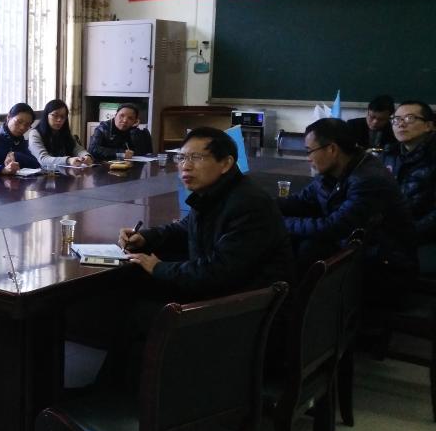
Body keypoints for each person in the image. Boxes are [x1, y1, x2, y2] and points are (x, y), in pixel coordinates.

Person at [120, 127, 294, 301]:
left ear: (225, 163)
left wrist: (159, 268)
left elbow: (220, 272)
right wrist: (145, 238)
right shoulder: (213, 192)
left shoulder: (248, 204)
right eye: (181, 158)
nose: (185, 166)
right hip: (218, 295)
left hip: (241, 307)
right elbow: (187, 228)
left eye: (196, 158)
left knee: (130, 298)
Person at [277, 118, 416, 308]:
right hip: (356, 251)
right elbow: (301, 201)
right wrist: (263, 207)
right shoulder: (333, 172)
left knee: (307, 248)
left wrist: (281, 222)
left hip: (385, 266)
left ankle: (299, 311)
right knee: (293, 243)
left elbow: (334, 227)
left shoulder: (369, 179)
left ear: (332, 149)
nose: (308, 158)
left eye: (309, 151)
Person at [382, 101, 436, 277]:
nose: (401, 124)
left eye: (410, 118)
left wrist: (406, 234)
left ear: (429, 126)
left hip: (425, 236)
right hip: (392, 232)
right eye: (396, 119)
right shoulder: (389, 155)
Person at [27, 99, 93, 170]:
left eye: (63, 117)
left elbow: (77, 149)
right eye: (55, 115)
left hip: (64, 173)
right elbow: (43, 159)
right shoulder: (35, 134)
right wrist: (68, 160)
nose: (59, 120)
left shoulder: (64, 132)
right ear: (46, 115)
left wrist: (86, 156)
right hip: (43, 174)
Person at [88, 103, 153, 161]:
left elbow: (142, 153)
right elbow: (93, 149)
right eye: (121, 116)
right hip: (104, 166)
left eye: (130, 118)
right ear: (115, 115)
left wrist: (134, 130)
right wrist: (120, 153)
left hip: (128, 166)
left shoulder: (133, 131)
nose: (125, 120)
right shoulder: (103, 128)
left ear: (135, 121)